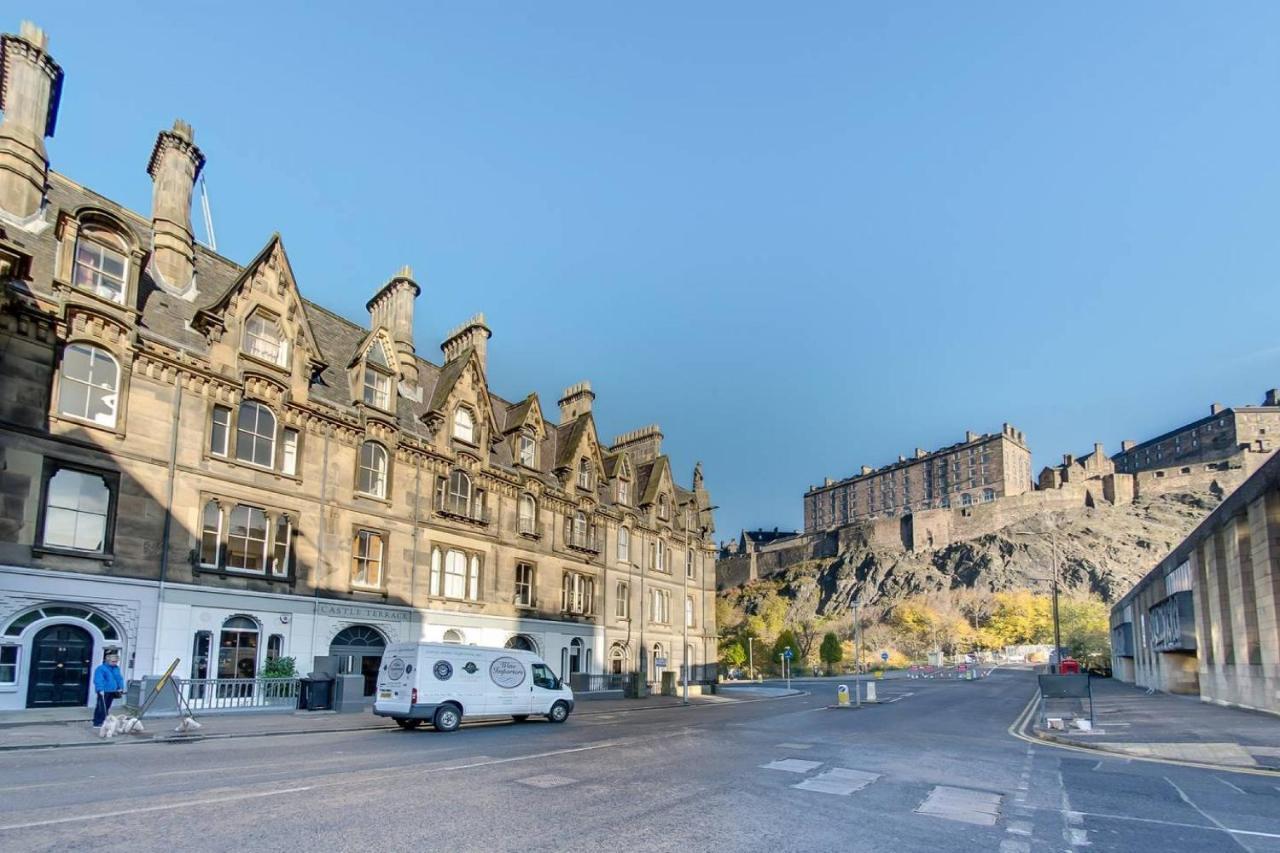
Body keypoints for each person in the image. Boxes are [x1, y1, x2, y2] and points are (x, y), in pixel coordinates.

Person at [92, 650, 125, 727]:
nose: (115, 663)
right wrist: (100, 689)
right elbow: (98, 679)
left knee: (107, 706)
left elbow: (119, 678)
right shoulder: (101, 668)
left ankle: (104, 721)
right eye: (113, 661)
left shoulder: (116, 668)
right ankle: (97, 722)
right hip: (104, 690)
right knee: (101, 707)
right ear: (107, 660)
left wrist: (120, 687)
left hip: (112, 690)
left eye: (116, 661)